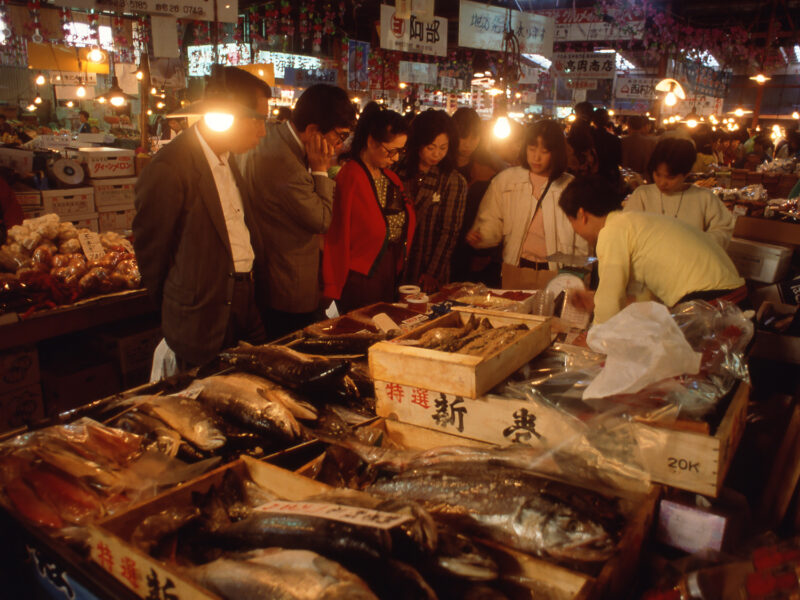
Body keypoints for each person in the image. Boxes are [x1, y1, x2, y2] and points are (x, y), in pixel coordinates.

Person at [133, 67, 271, 369]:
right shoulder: (170, 168)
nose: (263, 132)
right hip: (201, 316)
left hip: (246, 302)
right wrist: (181, 306)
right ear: (229, 115)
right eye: (258, 121)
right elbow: (151, 255)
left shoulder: (229, 159)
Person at [238, 83, 356, 339]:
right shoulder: (286, 164)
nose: (339, 145)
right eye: (339, 135)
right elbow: (322, 219)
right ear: (312, 130)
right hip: (288, 285)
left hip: (274, 273)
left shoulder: (276, 136)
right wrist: (321, 170)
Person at [560, 175, 745, 325]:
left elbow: (610, 300)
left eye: (571, 222)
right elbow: (646, 297)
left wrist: (592, 342)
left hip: (710, 305)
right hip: (736, 300)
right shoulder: (634, 222)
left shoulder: (612, 231)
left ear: (581, 215)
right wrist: (595, 300)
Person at [466, 120, 589, 279]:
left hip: (558, 273)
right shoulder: (506, 180)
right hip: (516, 268)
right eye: (531, 149)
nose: (536, 157)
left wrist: (578, 277)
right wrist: (481, 236)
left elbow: (583, 241)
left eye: (544, 151)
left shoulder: (572, 188)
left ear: (557, 153)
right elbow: (491, 220)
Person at [322, 103, 415, 313]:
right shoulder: (350, 176)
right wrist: (332, 285)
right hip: (360, 276)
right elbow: (337, 235)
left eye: (401, 151)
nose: (396, 158)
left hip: (389, 268)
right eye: (392, 151)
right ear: (371, 141)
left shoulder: (391, 178)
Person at [395, 110, 466, 293]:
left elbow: (449, 232)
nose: (437, 154)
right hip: (395, 261)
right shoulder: (397, 169)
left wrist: (432, 272)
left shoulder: (453, 180)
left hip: (427, 265)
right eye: (431, 147)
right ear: (417, 143)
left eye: (443, 148)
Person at [624, 137, 735, 248]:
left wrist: (694, 243)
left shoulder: (704, 198)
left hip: (690, 262)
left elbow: (723, 231)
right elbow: (626, 229)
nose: (662, 183)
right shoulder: (642, 195)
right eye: (657, 175)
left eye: (670, 177)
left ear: (686, 174)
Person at [590, 108, 622, 187]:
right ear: (607, 120)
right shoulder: (614, 139)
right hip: (610, 175)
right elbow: (619, 159)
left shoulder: (588, 138)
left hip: (592, 175)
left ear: (593, 121)